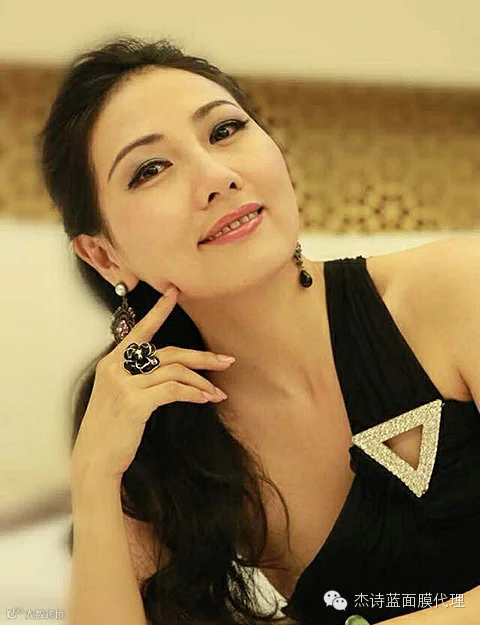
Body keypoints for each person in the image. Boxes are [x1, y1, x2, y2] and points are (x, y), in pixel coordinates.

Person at [38, 36, 480, 625]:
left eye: (224, 130)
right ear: (104, 256)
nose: (216, 176)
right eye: (151, 169)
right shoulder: (154, 422)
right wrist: (93, 477)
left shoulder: (454, 291)